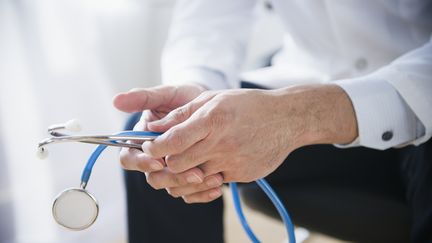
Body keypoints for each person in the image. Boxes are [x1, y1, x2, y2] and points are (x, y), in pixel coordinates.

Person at [113, 1, 432, 242]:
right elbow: (210, 19)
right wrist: (196, 94)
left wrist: (296, 116)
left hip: (419, 100)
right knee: (156, 143)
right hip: (310, 76)